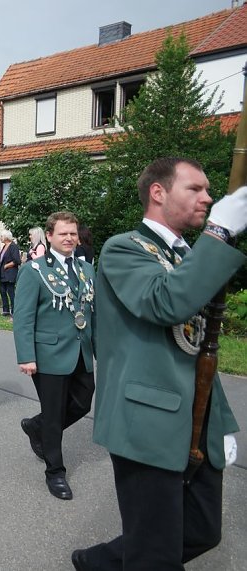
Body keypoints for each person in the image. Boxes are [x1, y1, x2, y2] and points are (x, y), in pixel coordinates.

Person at [71, 158, 246, 570]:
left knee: (202, 531)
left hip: (194, 418)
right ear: (158, 192)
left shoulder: (187, 255)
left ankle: (99, 561)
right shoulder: (123, 248)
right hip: (145, 422)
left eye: (208, 191)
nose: (208, 197)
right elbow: (166, 302)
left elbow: (202, 348)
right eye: (195, 189)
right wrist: (219, 232)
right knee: (157, 554)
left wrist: (219, 423)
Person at [13, 212, 95, 501]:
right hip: (47, 354)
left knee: (83, 402)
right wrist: (26, 356)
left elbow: (91, 313)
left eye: (73, 233)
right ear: (49, 236)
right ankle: (55, 472)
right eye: (63, 234)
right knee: (54, 410)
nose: (69, 238)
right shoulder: (34, 270)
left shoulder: (86, 270)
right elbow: (22, 317)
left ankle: (37, 426)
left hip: (81, 351)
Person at [0, 229, 21, 316]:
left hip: (10, 273)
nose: (0, 238)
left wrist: (6, 266)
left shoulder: (13, 246)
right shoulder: (4, 247)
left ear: (6, 237)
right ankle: (5, 310)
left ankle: (14, 310)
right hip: (3, 273)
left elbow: (17, 260)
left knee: (11, 292)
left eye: (1, 236)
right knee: (2, 291)